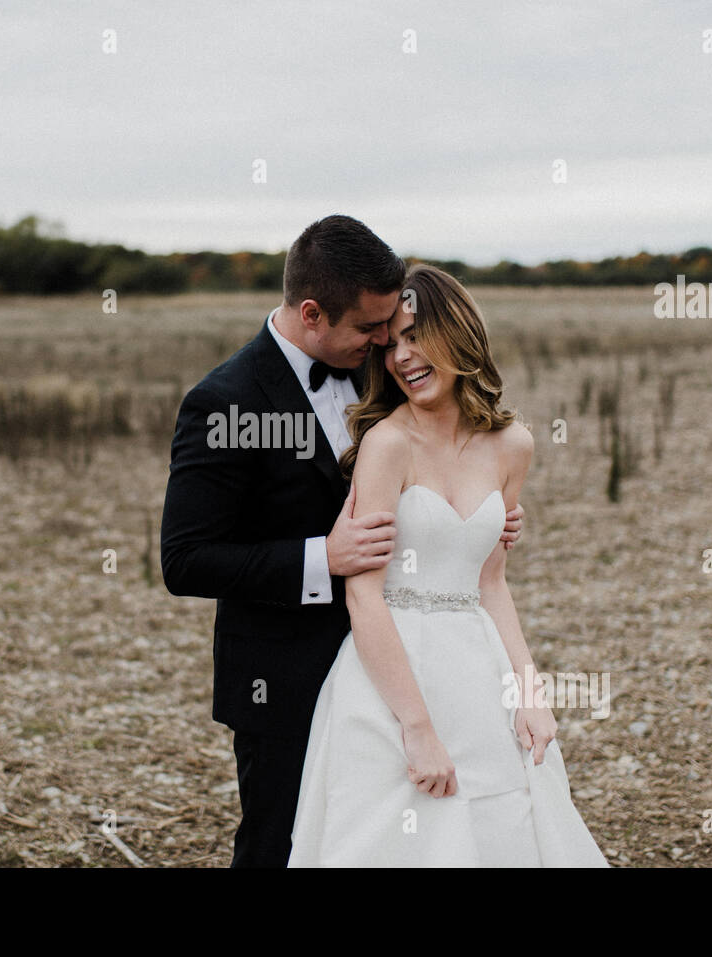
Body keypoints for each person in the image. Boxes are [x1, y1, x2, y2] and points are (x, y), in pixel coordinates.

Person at [160, 216, 526, 867]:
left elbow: (426, 471)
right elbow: (185, 559)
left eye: (392, 325)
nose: (387, 341)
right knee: (285, 845)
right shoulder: (223, 402)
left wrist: (478, 519)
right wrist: (319, 559)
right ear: (311, 313)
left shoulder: (377, 374)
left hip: (401, 662)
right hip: (285, 677)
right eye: (370, 327)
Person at [287, 263, 608, 866]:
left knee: (502, 821)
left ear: (457, 334)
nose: (401, 357)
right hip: (392, 675)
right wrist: (417, 727)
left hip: (478, 667)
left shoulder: (514, 444)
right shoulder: (386, 444)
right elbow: (364, 597)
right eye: (391, 345)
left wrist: (529, 690)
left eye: (415, 337)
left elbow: (491, 584)